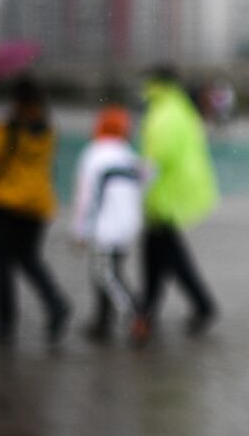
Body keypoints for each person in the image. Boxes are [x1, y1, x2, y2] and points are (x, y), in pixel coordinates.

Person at [0, 76, 71, 344]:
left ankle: (5, 322)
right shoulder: (48, 129)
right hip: (38, 204)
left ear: (16, 100)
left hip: (8, 203)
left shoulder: (9, 129)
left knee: (3, 264)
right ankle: (55, 302)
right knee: (29, 258)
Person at [131, 66, 220, 344]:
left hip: (163, 197)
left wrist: (138, 176)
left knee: (165, 256)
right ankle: (149, 313)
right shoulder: (180, 109)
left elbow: (157, 156)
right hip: (174, 194)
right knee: (158, 257)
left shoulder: (163, 113)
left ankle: (195, 306)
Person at [70, 105, 144, 341]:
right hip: (128, 225)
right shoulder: (127, 154)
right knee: (110, 271)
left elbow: (85, 198)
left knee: (106, 275)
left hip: (104, 227)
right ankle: (102, 323)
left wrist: (79, 231)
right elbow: (145, 180)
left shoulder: (93, 154)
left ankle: (137, 316)